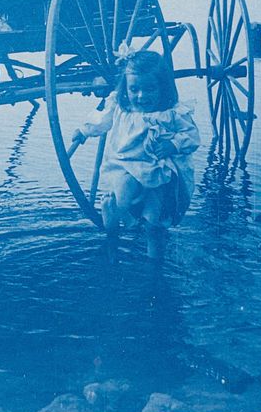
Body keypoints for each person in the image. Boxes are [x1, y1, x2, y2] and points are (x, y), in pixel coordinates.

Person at [73, 49, 200, 256]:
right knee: (124, 189)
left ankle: (154, 267)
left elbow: (192, 136)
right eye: (134, 89)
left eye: (150, 89)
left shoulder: (171, 114)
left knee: (155, 224)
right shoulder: (121, 108)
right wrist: (84, 130)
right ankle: (113, 221)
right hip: (126, 165)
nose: (141, 96)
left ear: (163, 87)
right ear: (126, 88)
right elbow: (102, 119)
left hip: (158, 174)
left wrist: (173, 145)